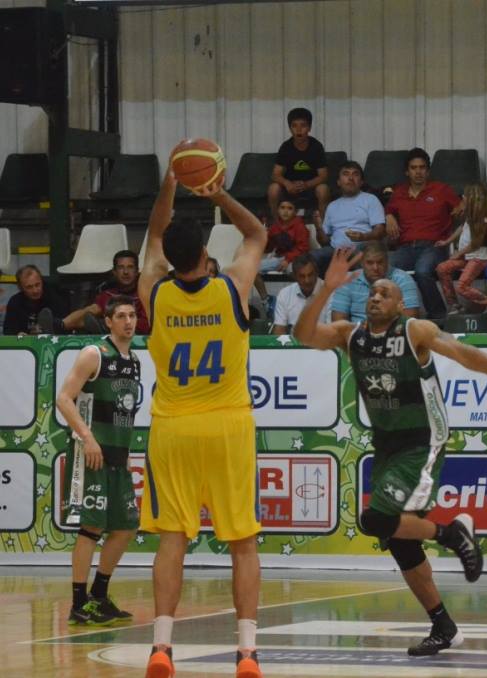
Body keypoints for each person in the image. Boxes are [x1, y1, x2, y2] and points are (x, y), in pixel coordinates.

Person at [294, 247, 487, 656]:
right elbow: (304, 335)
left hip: (424, 439)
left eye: (385, 293)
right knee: (398, 539)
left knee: (375, 519)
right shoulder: (350, 335)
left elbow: (463, 353)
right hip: (387, 443)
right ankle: (443, 626)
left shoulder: (414, 331)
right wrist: (326, 289)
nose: (376, 297)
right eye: (372, 292)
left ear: (399, 304)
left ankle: (452, 534)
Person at [138, 163, 266, 678]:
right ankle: (247, 653)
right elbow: (256, 234)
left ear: (170, 258)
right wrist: (218, 195)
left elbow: (153, 234)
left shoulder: (153, 291)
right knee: (243, 543)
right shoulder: (232, 287)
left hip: (173, 427)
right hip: (228, 425)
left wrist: (170, 183)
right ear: (207, 254)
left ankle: (161, 647)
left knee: (172, 539)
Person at [56, 296, 141, 627]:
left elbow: (123, 411)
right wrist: (87, 438)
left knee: (126, 527)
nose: (128, 321)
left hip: (117, 455)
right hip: (91, 452)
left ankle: (99, 596)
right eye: (120, 316)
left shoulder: (134, 360)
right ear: (108, 321)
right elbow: (64, 399)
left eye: (132, 315)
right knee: (91, 527)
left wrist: (125, 454)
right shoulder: (95, 353)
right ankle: (79, 604)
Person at [385, 148, 461, 319]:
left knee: (422, 271)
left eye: (422, 167)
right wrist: (388, 215)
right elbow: (388, 210)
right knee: (385, 270)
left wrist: (460, 212)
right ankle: (394, 316)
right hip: (405, 248)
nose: (418, 172)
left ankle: (438, 315)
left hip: (434, 246)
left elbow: (462, 208)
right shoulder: (399, 193)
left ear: (428, 171)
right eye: (414, 168)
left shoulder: (441, 190)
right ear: (407, 171)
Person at [38, 250, 150, 335]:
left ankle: (103, 326)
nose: (125, 272)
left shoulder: (145, 294)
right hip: (110, 332)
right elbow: (88, 315)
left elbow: (146, 325)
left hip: (135, 336)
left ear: (137, 271)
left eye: (130, 267)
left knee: (100, 320)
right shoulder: (108, 294)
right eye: (121, 267)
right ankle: (60, 325)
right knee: (92, 310)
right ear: (114, 272)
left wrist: (113, 322)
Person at [435, 183, 487, 317]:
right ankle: (454, 305)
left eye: (465, 196)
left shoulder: (485, 220)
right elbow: (461, 228)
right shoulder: (470, 216)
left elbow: (475, 244)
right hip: (468, 257)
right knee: (442, 268)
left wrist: (458, 254)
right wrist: (447, 241)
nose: (463, 198)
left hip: (479, 258)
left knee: (462, 286)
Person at [311, 161, 386, 275]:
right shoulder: (332, 206)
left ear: (361, 182)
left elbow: (380, 231)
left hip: (362, 248)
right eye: (346, 174)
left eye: (355, 174)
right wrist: (318, 228)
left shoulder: (371, 200)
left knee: (361, 254)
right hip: (336, 251)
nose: (350, 178)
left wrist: (363, 236)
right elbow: (324, 242)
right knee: (311, 258)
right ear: (338, 182)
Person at [330, 241, 420, 322]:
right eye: (370, 263)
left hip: (393, 332)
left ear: (387, 261)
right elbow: (338, 321)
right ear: (361, 263)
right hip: (356, 332)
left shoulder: (403, 279)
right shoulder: (347, 280)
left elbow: (410, 319)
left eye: (380, 262)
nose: (375, 268)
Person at [267, 107, 330, 219]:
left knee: (323, 189)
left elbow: (323, 176)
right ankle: (276, 223)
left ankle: (323, 224)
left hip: (311, 187)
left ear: (309, 128)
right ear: (290, 128)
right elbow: (275, 174)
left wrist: (306, 185)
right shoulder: (286, 147)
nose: (299, 130)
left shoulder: (316, 146)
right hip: (290, 188)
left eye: (303, 125)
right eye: (294, 126)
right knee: (273, 189)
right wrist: (287, 183)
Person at [271, 253, 329, 335]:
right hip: (294, 342)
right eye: (302, 276)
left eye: (310, 275)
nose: (307, 280)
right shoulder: (285, 294)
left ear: (317, 273)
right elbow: (279, 330)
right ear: (295, 276)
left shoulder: (330, 292)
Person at [2, 265, 69, 335]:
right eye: (29, 287)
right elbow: (8, 332)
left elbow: (64, 323)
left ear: (42, 281)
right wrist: (18, 335)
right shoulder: (15, 302)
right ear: (20, 288)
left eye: (37, 285)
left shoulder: (54, 295)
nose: (35, 291)